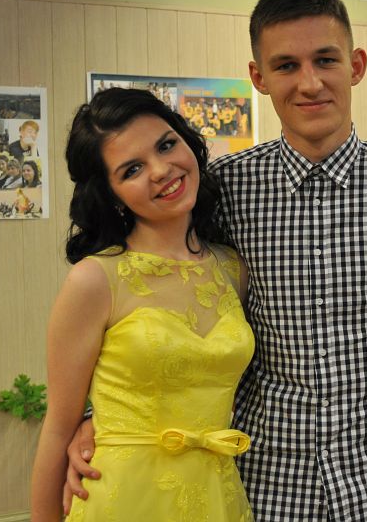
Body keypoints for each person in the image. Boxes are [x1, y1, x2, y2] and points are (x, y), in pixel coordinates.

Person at [65, 0, 367, 522]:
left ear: (356, 65)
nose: (309, 83)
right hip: (267, 484)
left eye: (325, 59)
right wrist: (98, 417)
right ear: (258, 78)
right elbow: (158, 299)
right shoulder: (222, 189)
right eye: (286, 66)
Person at [30, 88, 255, 521]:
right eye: (132, 169)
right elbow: (58, 427)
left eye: (166, 145)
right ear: (112, 194)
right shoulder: (95, 280)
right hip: (122, 498)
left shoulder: (232, 269)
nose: (161, 170)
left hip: (218, 495)